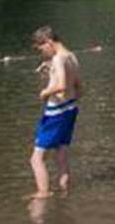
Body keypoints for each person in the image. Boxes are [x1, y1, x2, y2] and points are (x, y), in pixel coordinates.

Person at [31, 26, 82, 198]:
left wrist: (45, 92)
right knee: (62, 155)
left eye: (42, 48)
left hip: (56, 113)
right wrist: (50, 69)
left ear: (49, 42)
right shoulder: (72, 57)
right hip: (71, 109)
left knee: (36, 159)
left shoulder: (59, 59)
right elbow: (80, 89)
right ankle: (64, 193)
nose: (43, 52)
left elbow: (61, 86)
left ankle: (42, 195)